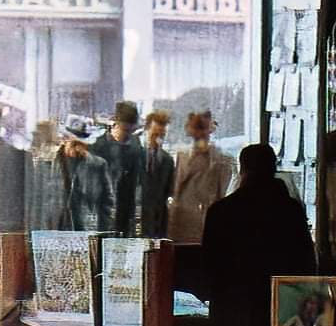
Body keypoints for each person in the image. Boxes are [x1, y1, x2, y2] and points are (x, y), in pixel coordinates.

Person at [199, 143, 317, 326]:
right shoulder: (290, 210)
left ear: (242, 170)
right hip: (283, 313)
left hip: (232, 317)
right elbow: (306, 263)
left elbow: (210, 268)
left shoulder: (221, 211)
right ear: (273, 169)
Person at [168, 110, 234, 244]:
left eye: (203, 128)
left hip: (208, 222)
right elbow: (175, 190)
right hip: (182, 223)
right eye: (197, 128)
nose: (201, 134)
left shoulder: (221, 160)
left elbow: (223, 193)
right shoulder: (181, 157)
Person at [88, 100, 146, 235]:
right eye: (125, 130)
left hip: (125, 214)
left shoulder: (135, 147)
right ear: (116, 124)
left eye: (131, 131)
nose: (128, 134)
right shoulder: (97, 147)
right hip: (101, 213)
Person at [55, 123, 112, 232]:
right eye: (75, 143)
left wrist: (103, 227)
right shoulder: (52, 162)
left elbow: (107, 200)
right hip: (56, 226)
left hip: (86, 225)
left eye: (82, 144)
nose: (78, 148)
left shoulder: (97, 164)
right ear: (66, 140)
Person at [135, 109, 176, 238]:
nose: (158, 139)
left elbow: (170, 190)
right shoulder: (133, 154)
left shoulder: (167, 160)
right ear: (146, 130)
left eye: (161, 135)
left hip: (158, 222)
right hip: (135, 217)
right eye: (154, 134)